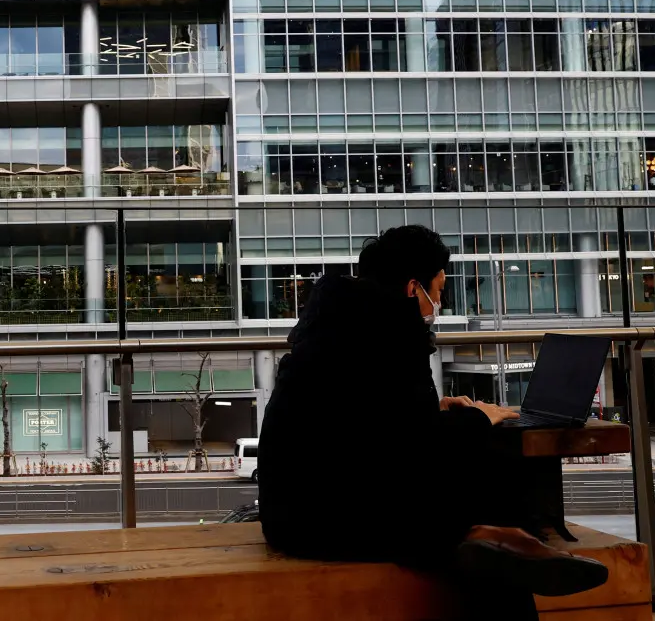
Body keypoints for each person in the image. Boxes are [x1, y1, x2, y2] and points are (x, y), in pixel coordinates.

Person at [258, 224, 608, 620]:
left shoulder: (342, 322)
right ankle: (506, 540)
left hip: (296, 507)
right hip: (322, 518)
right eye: (438, 290)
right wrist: (479, 416)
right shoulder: (390, 335)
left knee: (473, 519)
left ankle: (503, 539)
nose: (437, 302)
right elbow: (416, 444)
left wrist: (436, 408)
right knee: (477, 500)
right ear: (413, 288)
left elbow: (366, 423)